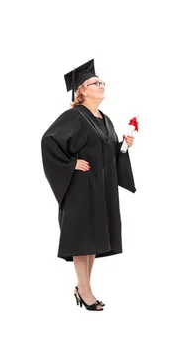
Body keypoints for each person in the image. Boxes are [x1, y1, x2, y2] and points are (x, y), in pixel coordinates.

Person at [41, 59, 137, 311]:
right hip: (80, 189)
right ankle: (84, 290)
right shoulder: (74, 116)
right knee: (81, 238)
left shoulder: (104, 119)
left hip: (99, 188)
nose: (101, 85)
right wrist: (70, 164)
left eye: (102, 82)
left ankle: (83, 287)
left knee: (92, 239)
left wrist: (123, 146)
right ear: (81, 90)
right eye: (96, 82)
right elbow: (49, 142)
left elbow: (105, 153)